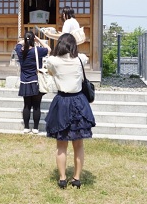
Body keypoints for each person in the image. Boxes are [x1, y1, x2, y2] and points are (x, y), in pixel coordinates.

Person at [44, 33, 95, 189]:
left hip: (62, 102)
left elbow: (50, 68)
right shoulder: (81, 59)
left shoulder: (53, 61)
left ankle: (62, 178)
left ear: (59, 45)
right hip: (79, 101)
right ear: (73, 46)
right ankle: (77, 178)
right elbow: (83, 54)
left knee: (61, 145)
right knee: (78, 145)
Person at [14, 31, 51, 134]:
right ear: (33, 41)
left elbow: (17, 44)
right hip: (35, 80)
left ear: (25, 41)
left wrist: (25, 40)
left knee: (26, 105)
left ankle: (26, 127)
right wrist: (37, 39)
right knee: (36, 106)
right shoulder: (37, 50)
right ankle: (35, 128)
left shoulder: (20, 51)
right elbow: (49, 49)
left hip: (24, 81)